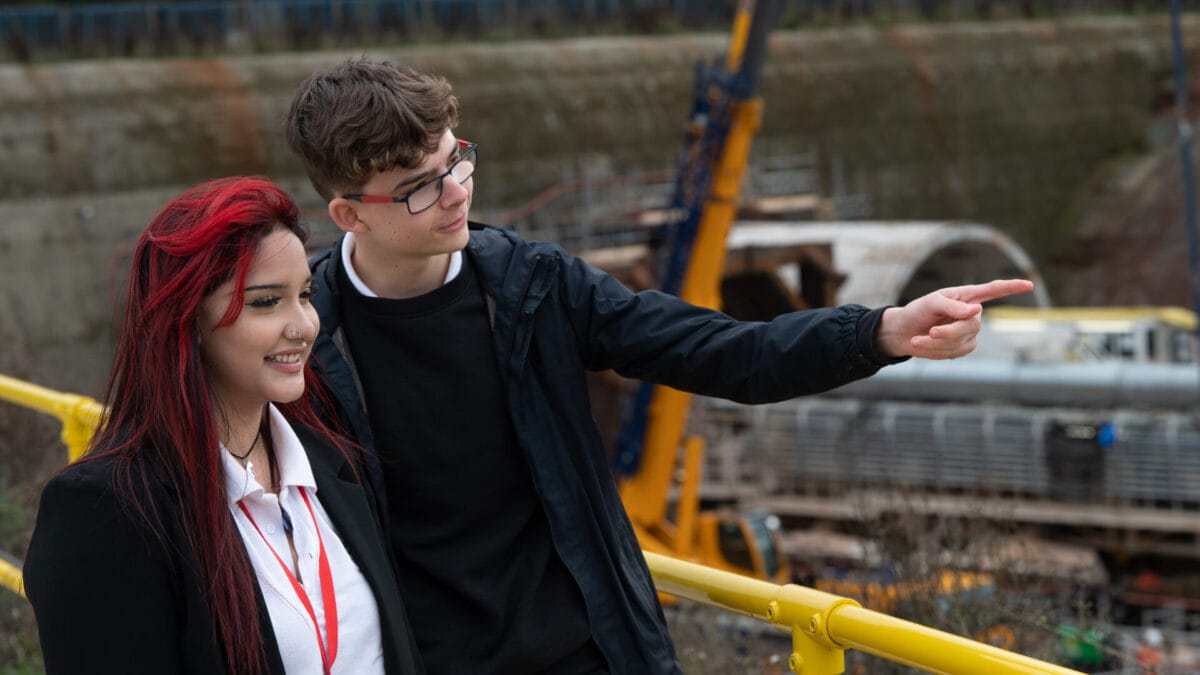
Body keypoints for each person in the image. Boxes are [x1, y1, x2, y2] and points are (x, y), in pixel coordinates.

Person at [284, 57, 1035, 674]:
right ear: (349, 213)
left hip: (588, 654)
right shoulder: (304, 334)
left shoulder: (535, 286)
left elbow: (728, 353)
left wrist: (883, 330)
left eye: (457, 160)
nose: (455, 194)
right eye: (419, 187)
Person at [24, 177, 423, 675]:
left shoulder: (329, 459)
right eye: (265, 302)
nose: (303, 325)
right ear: (185, 319)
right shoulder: (107, 508)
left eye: (305, 294)